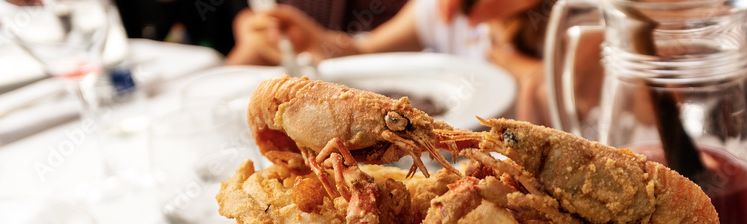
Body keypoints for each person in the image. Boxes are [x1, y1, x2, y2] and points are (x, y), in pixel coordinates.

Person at [225, 0, 552, 124]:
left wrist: (528, 73)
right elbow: (366, 53)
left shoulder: (571, 24)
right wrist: (314, 40)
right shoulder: (440, 10)